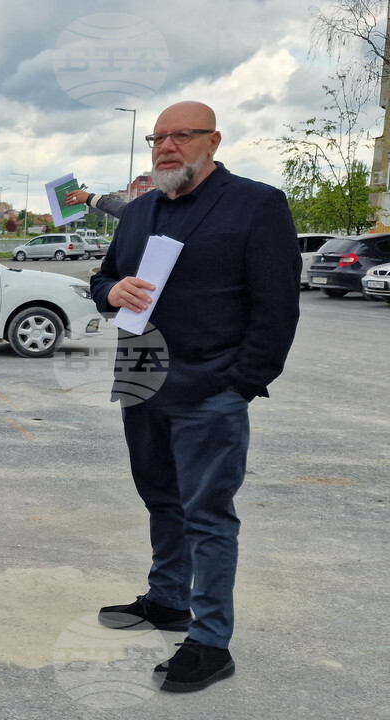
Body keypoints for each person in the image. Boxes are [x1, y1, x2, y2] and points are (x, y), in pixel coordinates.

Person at [90, 101, 300, 693]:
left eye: (182, 135)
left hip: (211, 389)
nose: (167, 146)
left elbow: (277, 306)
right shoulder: (140, 211)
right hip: (141, 380)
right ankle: (167, 599)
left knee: (207, 515)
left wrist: (240, 382)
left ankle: (210, 642)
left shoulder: (255, 205)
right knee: (161, 498)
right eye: (158, 138)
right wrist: (113, 292)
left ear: (214, 141)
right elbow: (101, 279)